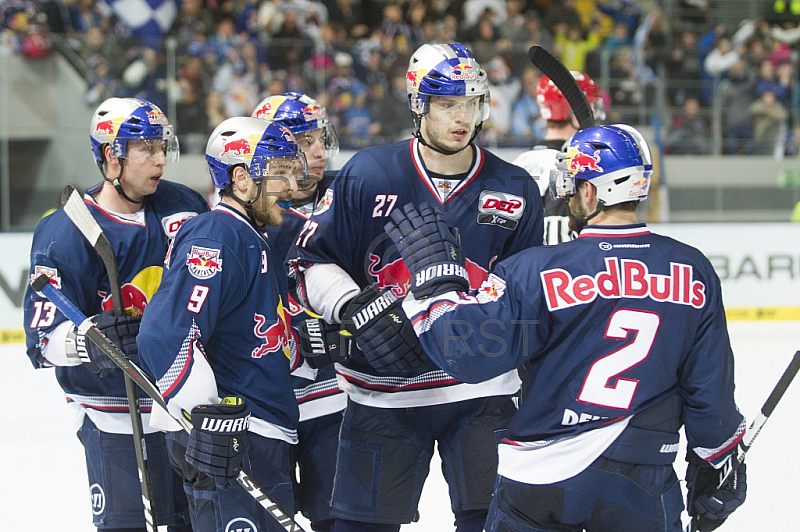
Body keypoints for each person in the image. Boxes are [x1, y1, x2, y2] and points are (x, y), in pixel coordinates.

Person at [388, 124, 748, 532]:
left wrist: (437, 284)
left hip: (541, 481)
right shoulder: (692, 269)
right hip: (641, 481)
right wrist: (718, 461)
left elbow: (467, 353)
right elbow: (710, 394)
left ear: (591, 192)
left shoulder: (535, 268)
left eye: (574, 185)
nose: (568, 195)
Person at [288, 42, 545, 532]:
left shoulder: (513, 186)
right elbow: (311, 260)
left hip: (481, 390)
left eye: (470, 103)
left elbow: (527, 291)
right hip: (384, 392)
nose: (463, 117)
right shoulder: (370, 173)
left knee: (494, 523)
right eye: (449, 105)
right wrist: (353, 304)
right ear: (418, 104)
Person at [23, 97, 208, 531]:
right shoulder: (66, 231)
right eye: (147, 149)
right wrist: (87, 341)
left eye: (163, 147)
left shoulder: (184, 205)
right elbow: (43, 340)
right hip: (113, 414)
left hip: (183, 404)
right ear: (112, 155)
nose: (161, 159)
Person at [137, 116, 308, 532]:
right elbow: (167, 334)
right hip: (234, 441)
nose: (290, 187)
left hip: (261, 435)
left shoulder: (249, 235)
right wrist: (205, 419)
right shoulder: (216, 233)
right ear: (241, 177)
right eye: (278, 173)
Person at [252, 91, 346, 532]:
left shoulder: (351, 197)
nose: (320, 151)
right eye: (306, 140)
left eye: (321, 138)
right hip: (266, 400)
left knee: (340, 517)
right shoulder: (245, 213)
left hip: (338, 395)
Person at [513, 70, 605, 244]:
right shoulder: (567, 166)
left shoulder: (520, 161)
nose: (593, 114)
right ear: (573, 110)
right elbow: (558, 242)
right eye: (589, 107)